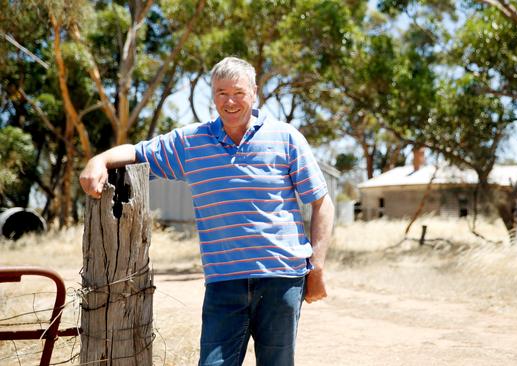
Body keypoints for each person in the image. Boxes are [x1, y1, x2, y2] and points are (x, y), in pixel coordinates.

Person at [79, 56, 335, 366]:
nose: (230, 101)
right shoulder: (191, 143)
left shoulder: (286, 138)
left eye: (238, 92)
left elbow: (321, 202)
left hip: (281, 280)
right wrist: (98, 161)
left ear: (254, 92)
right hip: (223, 283)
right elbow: (138, 152)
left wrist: (316, 268)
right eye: (221, 92)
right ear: (212, 95)